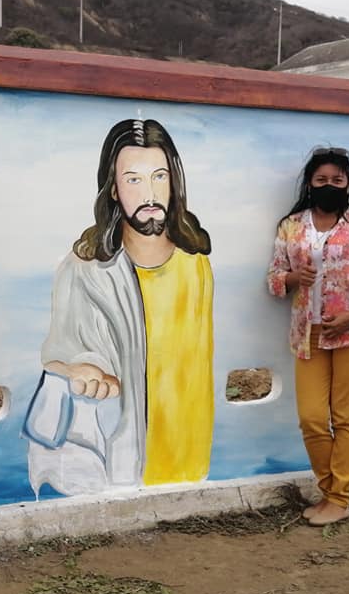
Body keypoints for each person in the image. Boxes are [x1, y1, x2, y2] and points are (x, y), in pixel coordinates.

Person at [23, 119, 214, 495]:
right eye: (133, 179)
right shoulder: (85, 268)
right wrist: (82, 366)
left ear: (174, 183)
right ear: (113, 188)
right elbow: (61, 352)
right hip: (121, 459)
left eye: (159, 177)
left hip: (190, 453)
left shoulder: (196, 264)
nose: (150, 194)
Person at [267, 147, 349, 526]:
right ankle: (333, 493)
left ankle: (338, 500)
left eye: (337, 180)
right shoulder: (292, 226)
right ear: (310, 183)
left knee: (344, 417)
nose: (329, 185)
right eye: (321, 179)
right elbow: (274, 279)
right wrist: (294, 278)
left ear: (348, 183)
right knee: (311, 418)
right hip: (307, 334)